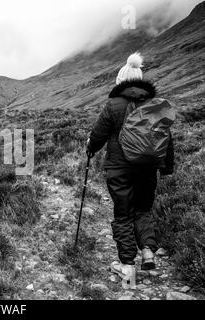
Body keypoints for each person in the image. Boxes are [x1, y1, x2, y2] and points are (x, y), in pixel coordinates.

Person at [86, 53, 175, 280]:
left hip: (119, 169)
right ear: (140, 79)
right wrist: (166, 167)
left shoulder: (113, 105)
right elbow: (166, 138)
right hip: (147, 168)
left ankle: (126, 264)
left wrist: (90, 148)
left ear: (121, 80)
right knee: (143, 210)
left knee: (123, 214)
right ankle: (147, 253)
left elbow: (98, 135)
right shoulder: (154, 105)